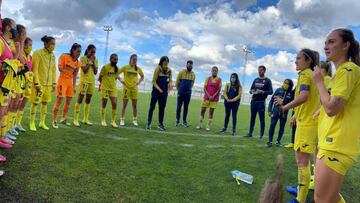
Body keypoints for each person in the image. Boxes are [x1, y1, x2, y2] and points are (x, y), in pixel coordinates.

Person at [313, 28, 360, 203]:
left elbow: (332, 108)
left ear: (346, 45)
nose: (326, 46)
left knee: (322, 200)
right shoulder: (342, 73)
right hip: (331, 143)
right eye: (325, 42)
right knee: (329, 198)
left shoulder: (348, 70)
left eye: (332, 42)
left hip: (337, 145)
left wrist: (319, 83)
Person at [278, 48, 319, 203]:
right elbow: (311, 100)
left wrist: (284, 106)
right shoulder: (311, 75)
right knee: (305, 161)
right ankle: (301, 188)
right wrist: (296, 114)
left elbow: (304, 96)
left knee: (302, 162)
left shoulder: (305, 74)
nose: (295, 61)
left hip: (307, 125)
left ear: (308, 61)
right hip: (309, 123)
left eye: (298, 58)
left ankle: (300, 199)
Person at [29, 35, 56, 131]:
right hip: (39, 84)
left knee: (45, 103)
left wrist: (54, 83)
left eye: (54, 44)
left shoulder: (53, 55)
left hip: (48, 85)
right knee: (35, 103)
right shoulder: (37, 53)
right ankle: (32, 122)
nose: (53, 46)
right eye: (52, 44)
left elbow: (53, 70)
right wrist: (36, 83)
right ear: (46, 44)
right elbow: (34, 69)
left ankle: (42, 122)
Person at [52, 43, 81, 128]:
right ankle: (54, 120)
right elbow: (60, 68)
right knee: (59, 101)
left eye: (80, 52)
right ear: (73, 50)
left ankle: (63, 119)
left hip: (70, 83)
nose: (79, 53)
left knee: (68, 101)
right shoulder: (64, 56)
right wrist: (67, 73)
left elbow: (75, 75)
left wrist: (74, 86)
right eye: (78, 51)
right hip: (62, 81)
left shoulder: (78, 63)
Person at [245, 65, 273, 141]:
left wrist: (263, 92)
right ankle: (250, 133)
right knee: (252, 118)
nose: (259, 71)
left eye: (261, 70)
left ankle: (261, 135)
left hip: (261, 102)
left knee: (261, 119)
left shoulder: (267, 80)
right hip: (253, 101)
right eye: (258, 70)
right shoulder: (255, 80)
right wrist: (251, 91)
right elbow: (251, 90)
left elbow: (271, 91)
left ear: (264, 71)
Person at [73, 44, 98, 126]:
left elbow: (95, 72)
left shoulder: (95, 59)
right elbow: (85, 70)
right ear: (88, 50)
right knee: (80, 99)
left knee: (88, 100)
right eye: (92, 51)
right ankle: (75, 119)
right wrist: (90, 61)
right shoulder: (83, 58)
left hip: (91, 82)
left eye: (94, 52)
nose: (93, 53)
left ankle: (85, 119)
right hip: (84, 81)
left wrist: (93, 62)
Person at [146, 56, 172, 131]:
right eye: (165, 60)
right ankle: (148, 123)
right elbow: (153, 81)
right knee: (152, 107)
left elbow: (170, 80)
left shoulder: (169, 70)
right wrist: (159, 89)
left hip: (164, 92)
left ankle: (160, 124)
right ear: (161, 61)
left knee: (162, 108)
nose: (166, 62)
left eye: (167, 61)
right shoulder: (158, 68)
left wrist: (170, 85)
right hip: (156, 91)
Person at [267, 79, 294, 147]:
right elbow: (271, 100)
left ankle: (278, 141)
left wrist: (283, 102)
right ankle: (270, 141)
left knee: (282, 127)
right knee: (272, 125)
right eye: (284, 82)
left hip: (284, 113)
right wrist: (269, 110)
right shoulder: (278, 90)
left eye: (287, 83)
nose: (285, 84)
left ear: (290, 85)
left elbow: (291, 103)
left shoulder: (291, 93)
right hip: (275, 111)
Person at [119, 54, 144, 126]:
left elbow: (142, 76)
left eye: (136, 59)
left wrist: (139, 82)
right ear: (130, 59)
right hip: (126, 89)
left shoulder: (138, 69)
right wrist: (121, 80)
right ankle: (122, 119)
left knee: (135, 106)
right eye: (134, 59)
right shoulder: (125, 67)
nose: (135, 61)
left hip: (134, 89)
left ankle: (135, 120)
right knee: (124, 105)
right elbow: (117, 73)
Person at [14, 37, 32, 132]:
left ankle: (18, 123)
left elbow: (30, 70)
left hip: (28, 84)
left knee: (23, 105)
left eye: (31, 45)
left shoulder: (31, 57)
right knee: (16, 104)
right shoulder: (21, 55)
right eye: (29, 45)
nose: (30, 47)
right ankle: (12, 124)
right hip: (20, 83)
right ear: (24, 45)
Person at [196, 66, 222, 131]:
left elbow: (219, 89)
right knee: (202, 111)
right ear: (211, 71)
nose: (214, 71)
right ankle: (200, 124)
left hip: (214, 99)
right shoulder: (208, 78)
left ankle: (208, 126)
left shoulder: (219, 80)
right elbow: (204, 88)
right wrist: (208, 95)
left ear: (217, 72)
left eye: (215, 70)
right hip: (206, 98)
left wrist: (213, 96)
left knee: (211, 112)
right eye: (213, 70)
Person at [99, 53, 120, 128]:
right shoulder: (105, 67)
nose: (116, 61)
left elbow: (116, 78)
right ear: (110, 59)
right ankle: (103, 120)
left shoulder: (117, 68)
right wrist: (101, 85)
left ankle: (113, 121)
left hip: (113, 89)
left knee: (114, 104)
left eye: (117, 59)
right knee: (104, 104)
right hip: (105, 88)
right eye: (114, 59)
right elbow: (100, 77)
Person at [175, 60, 195, 127]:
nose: (190, 66)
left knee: (186, 107)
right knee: (179, 106)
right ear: (186, 65)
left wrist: (189, 90)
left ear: (192, 66)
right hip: (181, 92)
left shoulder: (193, 74)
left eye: (191, 65)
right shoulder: (181, 72)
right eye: (189, 65)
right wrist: (178, 90)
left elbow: (192, 83)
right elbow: (177, 82)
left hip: (188, 93)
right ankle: (177, 121)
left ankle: (184, 121)